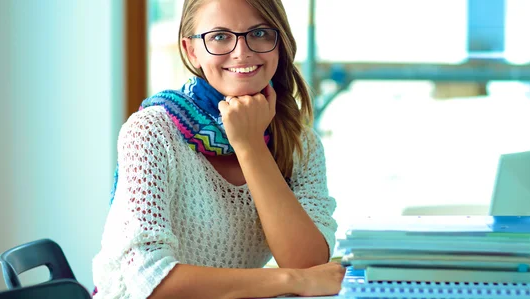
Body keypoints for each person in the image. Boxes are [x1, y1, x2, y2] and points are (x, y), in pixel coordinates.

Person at [92, 0, 345, 298]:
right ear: (191, 51)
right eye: (220, 37)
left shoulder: (300, 144)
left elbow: (307, 263)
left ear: (280, 43)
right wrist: (288, 280)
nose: (242, 52)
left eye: (260, 33)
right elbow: (149, 279)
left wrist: (250, 146)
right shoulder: (151, 131)